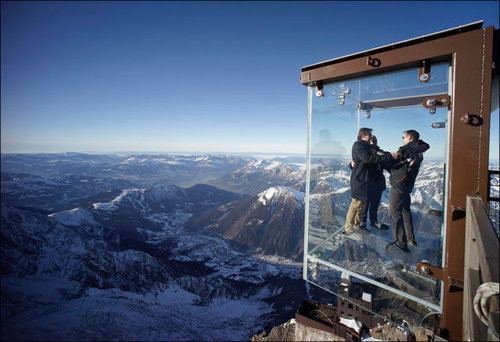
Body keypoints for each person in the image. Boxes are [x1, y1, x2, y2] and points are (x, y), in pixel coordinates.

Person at [344, 128, 395, 235]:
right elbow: (365, 159)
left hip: (370, 182)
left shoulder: (371, 149)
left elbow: (364, 161)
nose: (371, 138)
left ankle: (358, 225)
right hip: (362, 180)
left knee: (362, 204)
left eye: (374, 139)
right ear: (363, 135)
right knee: (356, 204)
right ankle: (349, 228)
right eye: (370, 136)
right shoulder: (359, 146)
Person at [387, 129, 430, 252]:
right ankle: (410, 238)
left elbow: (394, 162)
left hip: (399, 184)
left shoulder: (407, 150)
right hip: (407, 184)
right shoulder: (418, 150)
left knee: (394, 212)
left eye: (403, 137)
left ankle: (400, 243)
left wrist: (385, 157)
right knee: (405, 211)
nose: (402, 139)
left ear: (410, 137)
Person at [359, 135, 388, 230]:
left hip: (378, 181)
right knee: (365, 203)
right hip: (367, 182)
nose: (373, 141)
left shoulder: (381, 152)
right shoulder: (364, 152)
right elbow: (357, 164)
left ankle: (373, 221)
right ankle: (362, 222)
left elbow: (387, 160)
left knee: (375, 203)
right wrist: (351, 165)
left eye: (375, 140)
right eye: (371, 140)